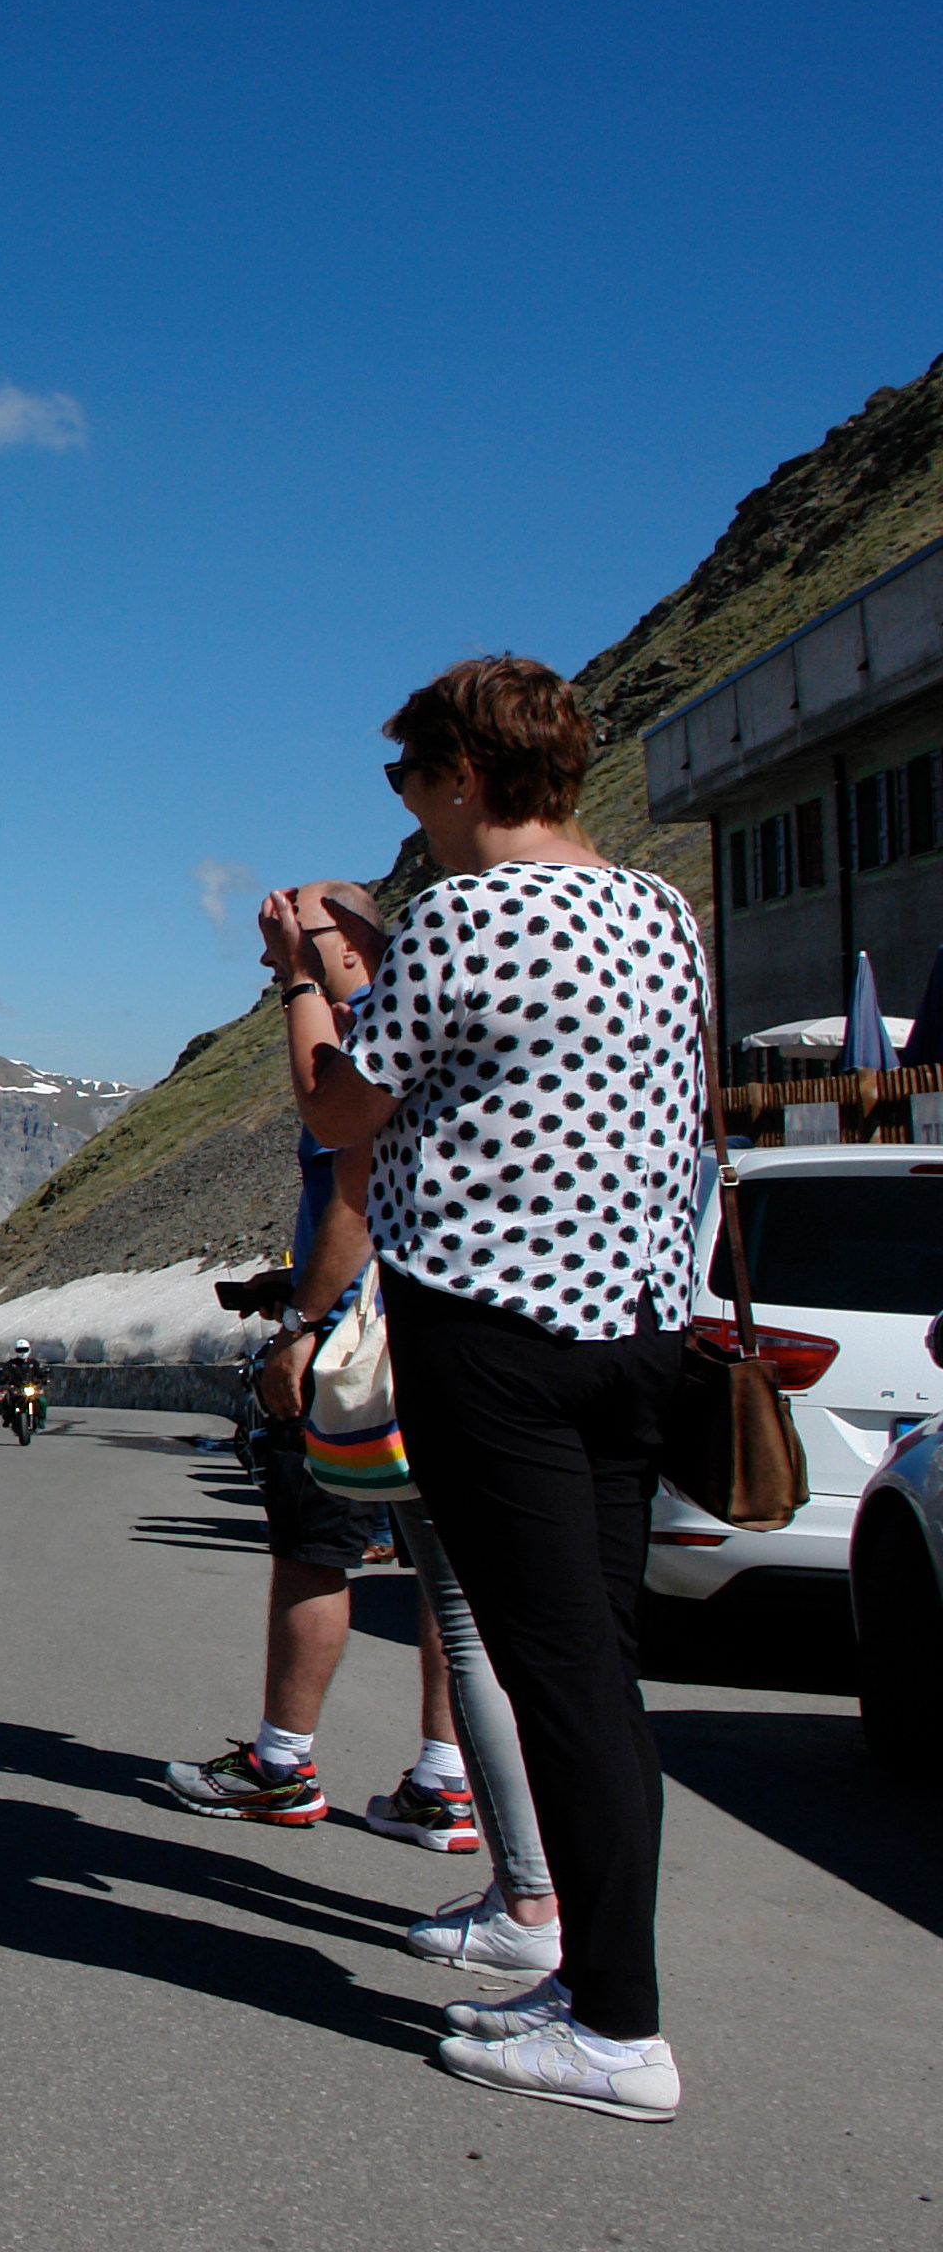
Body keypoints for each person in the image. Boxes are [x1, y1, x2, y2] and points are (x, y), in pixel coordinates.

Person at [298, 656, 706, 2120]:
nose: (407, 806)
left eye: (410, 778)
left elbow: (342, 1106)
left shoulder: (462, 919)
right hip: (637, 1328)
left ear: (463, 775)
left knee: (558, 1674)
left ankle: (619, 2030)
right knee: (598, 1663)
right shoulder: (660, 909)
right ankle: (584, 1971)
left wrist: (317, 975)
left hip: (494, 1332)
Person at [257, 879, 565, 1982]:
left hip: (385, 1351)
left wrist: (302, 1326)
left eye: (300, 935)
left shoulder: (379, 1029)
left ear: (350, 941)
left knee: (342, 1557)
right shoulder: (479, 1022)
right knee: (469, 1601)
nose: (279, 954)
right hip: (509, 1335)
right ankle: (451, 1791)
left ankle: (524, 1892)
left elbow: (347, 1170)